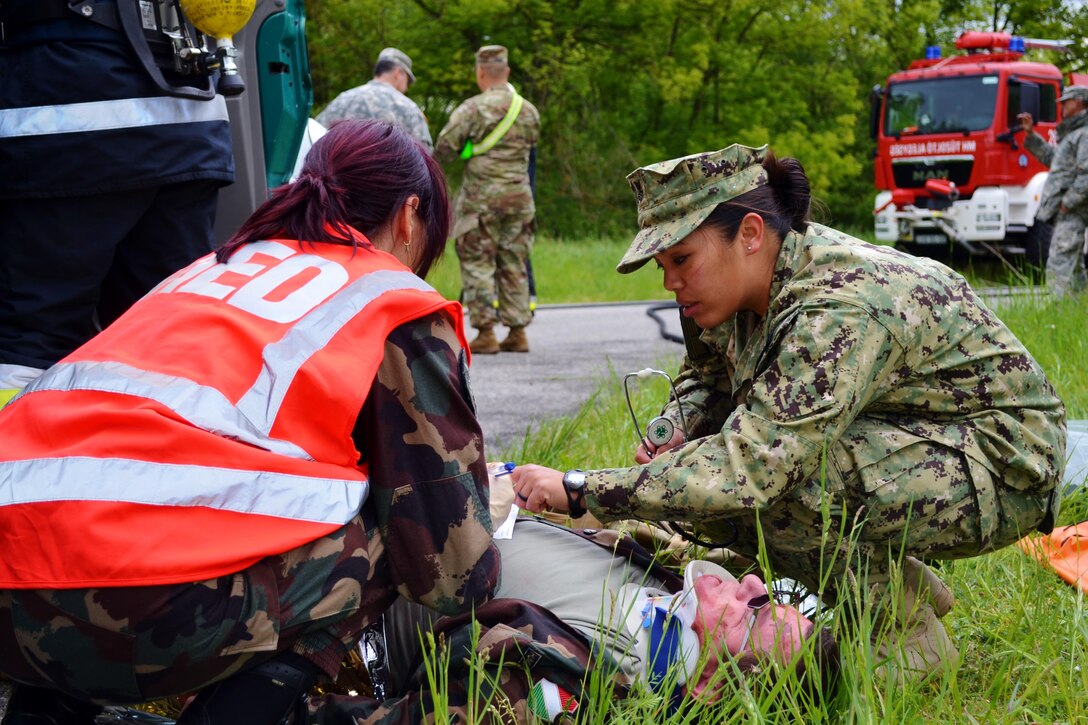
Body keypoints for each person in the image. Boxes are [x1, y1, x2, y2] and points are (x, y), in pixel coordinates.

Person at [0, 120, 499, 724]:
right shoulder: (389, 299)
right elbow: (457, 577)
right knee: (406, 524)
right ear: (409, 215)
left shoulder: (202, 273)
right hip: (143, 614)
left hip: (13, 596)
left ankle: (43, 712)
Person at [510, 143, 1067, 679]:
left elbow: (753, 467)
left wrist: (586, 490)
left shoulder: (837, 306)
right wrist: (675, 428)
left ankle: (904, 633)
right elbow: (708, 376)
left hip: (1004, 461)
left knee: (777, 488)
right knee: (715, 482)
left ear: (750, 234)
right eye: (662, 264)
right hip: (915, 434)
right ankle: (893, 584)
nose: (670, 281)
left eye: (681, 258)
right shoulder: (730, 290)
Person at [304, 471, 840, 722]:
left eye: (759, 610)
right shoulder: (672, 597)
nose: (752, 586)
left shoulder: (589, 687)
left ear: (708, 686)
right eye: (768, 592)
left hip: (336, 592)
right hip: (393, 509)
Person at [0, 0, 237, 407]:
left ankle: (15, 461)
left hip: (67, 119)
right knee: (165, 337)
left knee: (35, 338)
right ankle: (167, 457)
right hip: (187, 121)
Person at [435, 45, 541, 354]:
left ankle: (485, 333)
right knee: (514, 262)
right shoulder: (529, 111)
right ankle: (518, 331)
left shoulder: (472, 109)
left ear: (480, 73)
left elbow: (444, 148)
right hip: (520, 200)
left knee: (478, 263)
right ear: (506, 72)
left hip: (480, 201)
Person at [1018, 84, 1088, 298]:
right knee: (1073, 264)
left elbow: (1086, 174)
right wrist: (1030, 135)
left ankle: (1058, 307)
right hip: (1067, 210)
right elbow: (1054, 161)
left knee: (1059, 261)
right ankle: (1080, 305)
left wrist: (1068, 202)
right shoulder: (1073, 134)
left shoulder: (1084, 134)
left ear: (1077, 103)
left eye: (1065, 103)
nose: (1062, 107)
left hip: (1073, 210)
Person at [317, 47, 433, 153]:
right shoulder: (408, 108)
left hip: (337, 174)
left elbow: (315, 137)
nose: (407, 87)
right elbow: (424, 156)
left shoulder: (344, 99)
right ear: (398, 73)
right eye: (408, 80)